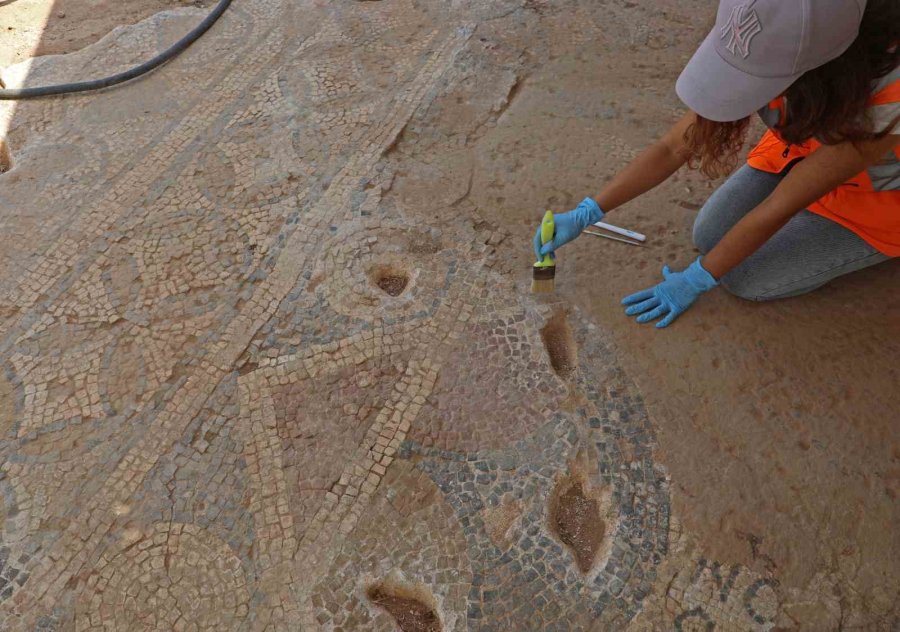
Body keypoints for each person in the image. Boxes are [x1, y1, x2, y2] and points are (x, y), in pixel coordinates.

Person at [533, 0, 899, 328]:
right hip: (807, 144)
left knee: (746, 279)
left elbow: (779, 207)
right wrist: (589, 210)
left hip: (879, 194)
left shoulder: (887, 100)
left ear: (822, 73)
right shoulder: (773, 24)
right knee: (710, 235)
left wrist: (696, 280)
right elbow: (672, 146)